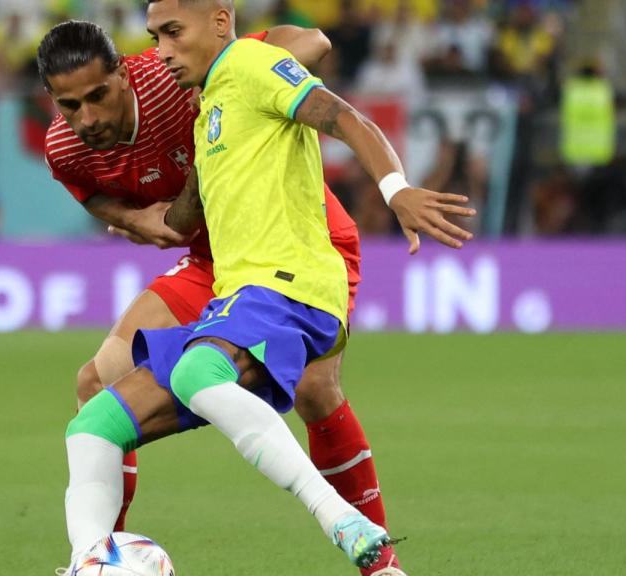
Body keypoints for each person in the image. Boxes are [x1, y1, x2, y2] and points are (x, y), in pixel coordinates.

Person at [59, 0, 475, 572]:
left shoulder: (252, 65)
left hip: (294, 277)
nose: (161, 51)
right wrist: (140, 222)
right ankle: (92, 560)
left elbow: (347, 117)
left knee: (223, 375)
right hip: (231, 285)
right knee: (92, 424)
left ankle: (351, 528)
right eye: (156, 37)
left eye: (174, 33)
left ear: (220, 21)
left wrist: (396, 189)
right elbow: (182, 219)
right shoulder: (204, 117)